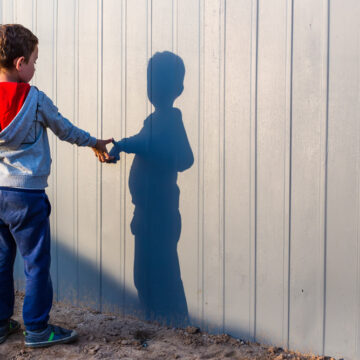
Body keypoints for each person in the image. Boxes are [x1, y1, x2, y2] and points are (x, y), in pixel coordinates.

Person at [0, 24, 113, 348]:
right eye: (34, 60)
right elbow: (64, 129)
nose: (35, 67)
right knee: (36, 262)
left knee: (0, 260)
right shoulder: (34, 99)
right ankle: (36, 329)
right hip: (26, 195)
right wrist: (94, 142)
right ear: (20, 63)